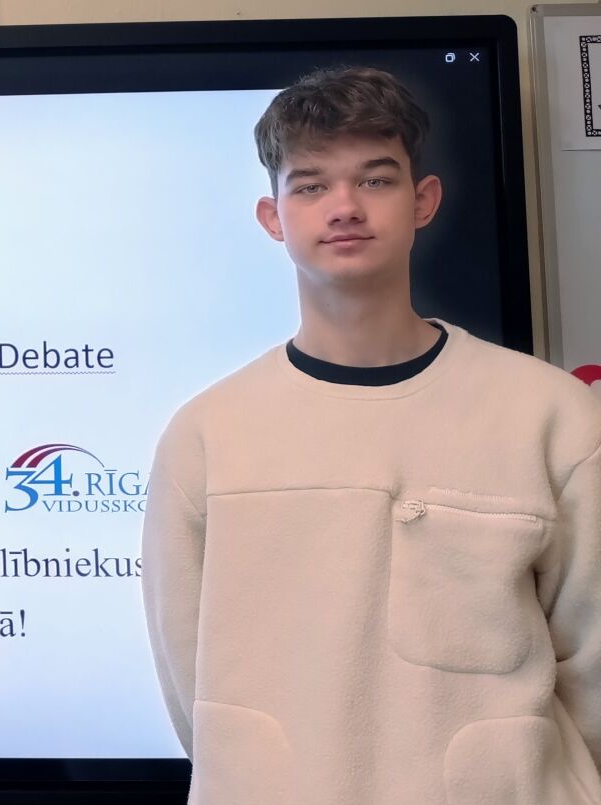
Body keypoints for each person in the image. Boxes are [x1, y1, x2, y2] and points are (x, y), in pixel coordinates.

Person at [142, 66, 601, 804]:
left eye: (376, 179)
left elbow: (594, 671)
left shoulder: (549, 416)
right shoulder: (207, 437)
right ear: (273, 217)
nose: (345, 207)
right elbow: (188, 684)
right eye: (311, 185)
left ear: (423, 201)